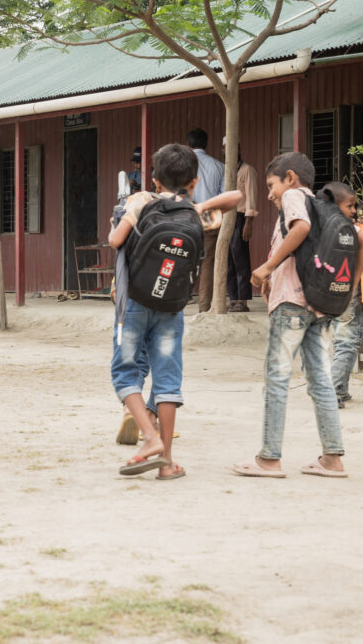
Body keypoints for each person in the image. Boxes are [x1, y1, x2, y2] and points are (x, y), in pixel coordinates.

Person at [109, 143, 239, 480]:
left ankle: (150, 439)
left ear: (153, 179)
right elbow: (235, 198)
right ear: (194, 181)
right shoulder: (196, 213)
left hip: (135, 303)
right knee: (167, 378)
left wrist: (136, 205)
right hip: (171, 307)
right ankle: (166, 462)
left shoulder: (141, 202)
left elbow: (114, 239)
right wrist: (196, 203)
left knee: (125, 373)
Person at [232, 152, 360, 480]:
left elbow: (300, 229)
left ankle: (269, 459)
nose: (271, 193)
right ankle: (332, 458)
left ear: (290, 178)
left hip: (291, 306)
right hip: (319, 305)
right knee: (320, 381)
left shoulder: (294, 197)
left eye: (272, 184)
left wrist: (268, 267)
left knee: (277, 378)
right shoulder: (323, 206)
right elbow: (362, 241)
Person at [327, 183, 363, 408]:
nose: (354, 210)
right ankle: (333, 390)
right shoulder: (347, 228)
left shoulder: (322, 227)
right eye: (350, 206)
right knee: (348, 340)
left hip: (330, 290)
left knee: (342, 339)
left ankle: (341, 388)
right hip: (348, 291)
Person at [187, 128, 225, 313]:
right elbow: (223, 196)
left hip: (186, 215)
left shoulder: (182, 164)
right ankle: (204, 307)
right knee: (209, 261)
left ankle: (175, 303)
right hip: (210, 216)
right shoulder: (219, 166)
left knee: (180, 256)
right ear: (206, 144)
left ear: (188, 144)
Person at [223, 139, 259, 313]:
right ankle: (233, 298)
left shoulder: (247, 170)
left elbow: (251, 197)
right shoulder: (226, 171)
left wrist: (249, 222)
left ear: (238, 149)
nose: (229, 151)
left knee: (240, 259)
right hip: (226, 217)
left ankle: (243, 300)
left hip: (240, 217)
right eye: (226, 148)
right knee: (228, 260)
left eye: (233, 148)